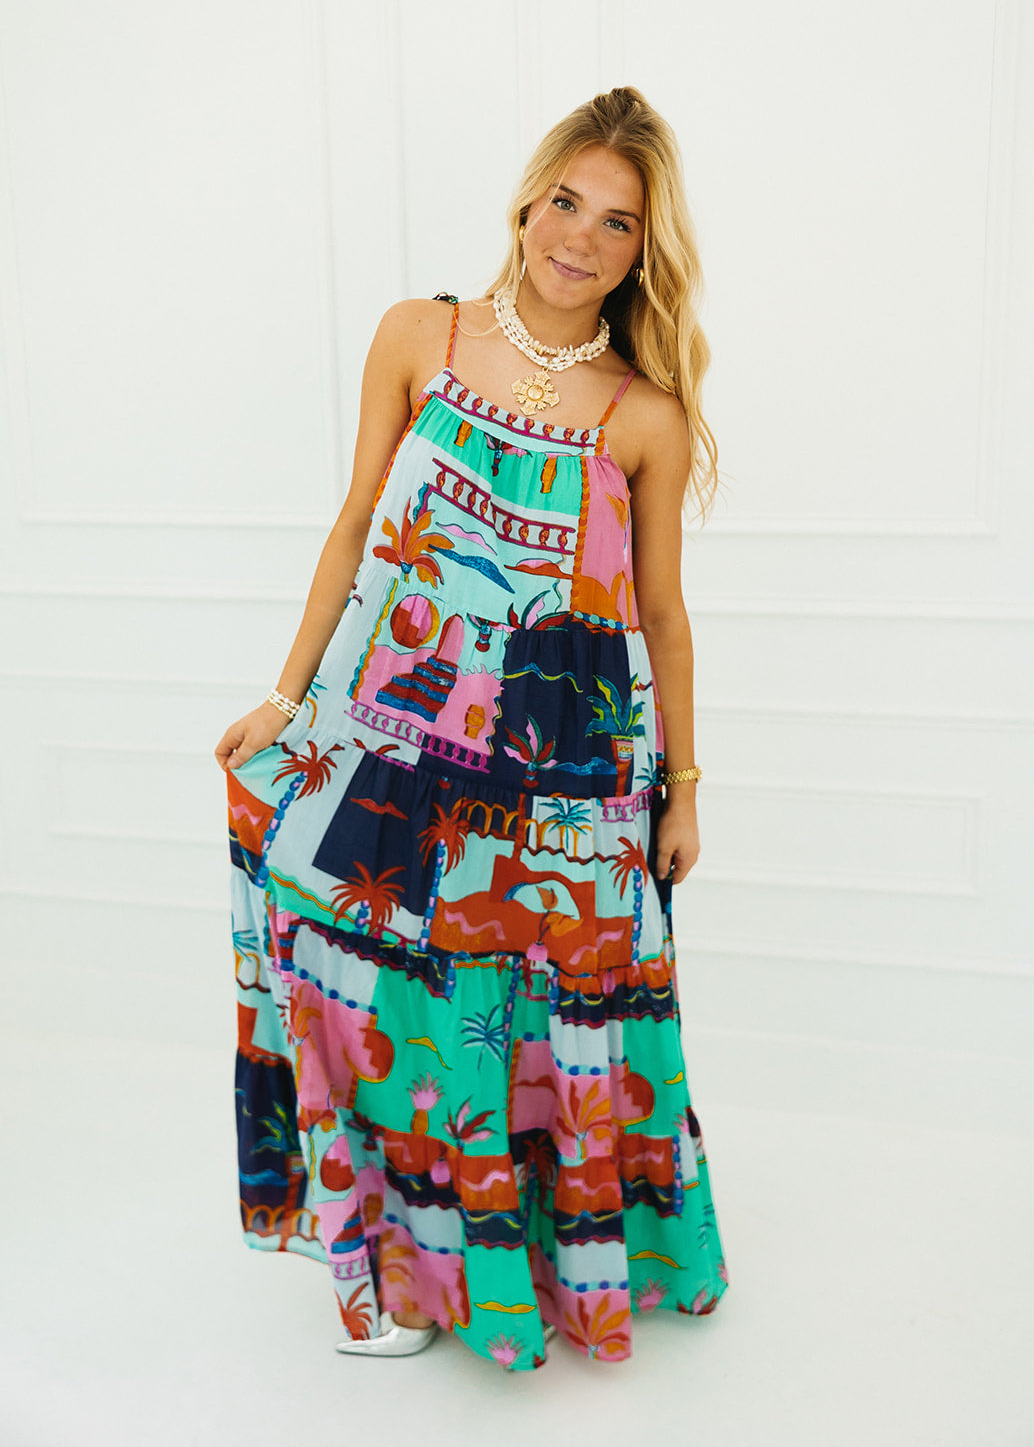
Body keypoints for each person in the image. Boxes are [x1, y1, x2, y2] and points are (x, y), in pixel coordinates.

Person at [215, 86, 730, 1370]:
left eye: (616, 223)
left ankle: (524, 1275)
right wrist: (285, 697)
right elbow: (355, 527)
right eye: (566, 201)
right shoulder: (419, 334)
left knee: (524, 1023)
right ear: (525, 202)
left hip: (564, 785)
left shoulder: (643, 414)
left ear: (642, 253)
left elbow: (663, 618)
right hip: (388, 740)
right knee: (369, 984)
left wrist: (681, 787)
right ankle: (392, 1266)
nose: (579, 237)